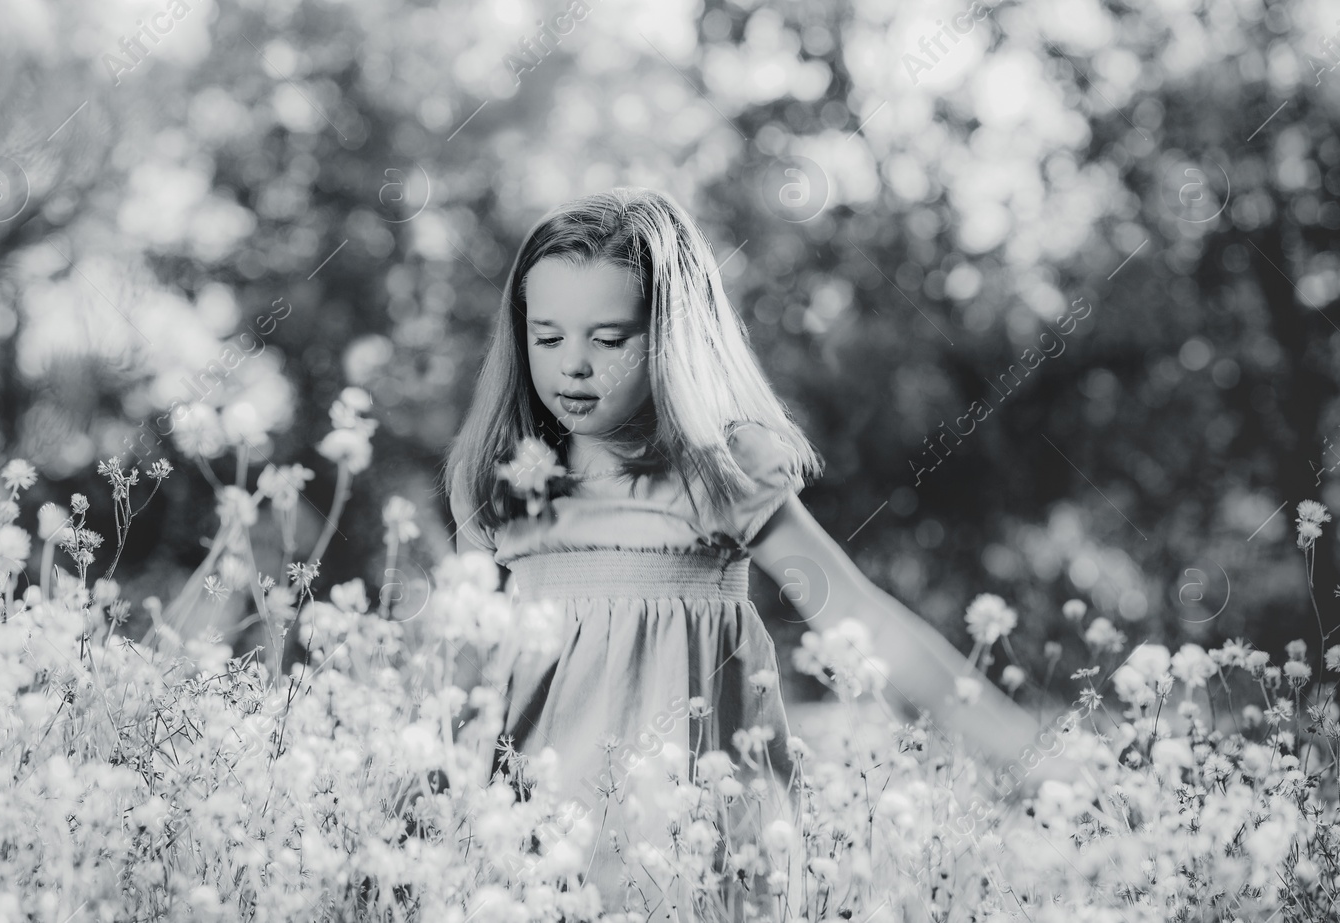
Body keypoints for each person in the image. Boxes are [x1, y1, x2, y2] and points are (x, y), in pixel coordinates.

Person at [444, 187, 1066, 920]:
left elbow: (860, 620)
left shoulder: (720, 472)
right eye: (546, 337)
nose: (573, 366)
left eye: (609, 339)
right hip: (531, 857)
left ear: (671, 335)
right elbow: (462, 676)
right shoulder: (502, 483)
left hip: (693, 854)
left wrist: (1028, 755)